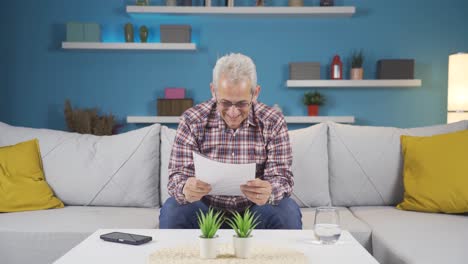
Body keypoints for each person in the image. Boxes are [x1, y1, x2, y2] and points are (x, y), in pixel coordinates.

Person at [159, 53, 302, 229]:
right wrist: (185, 188)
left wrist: (269, 190)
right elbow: (176, 176)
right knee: (173, 210)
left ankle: (282, 258)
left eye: (242, 103)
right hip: (205, 208)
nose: (233, 112)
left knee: (287, 211)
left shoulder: (273, 121)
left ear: (255, 93)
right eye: (225, 103)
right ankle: (175, 257)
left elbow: (282, 177)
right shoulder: (192, 120)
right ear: (213, 91)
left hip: (255, 209)